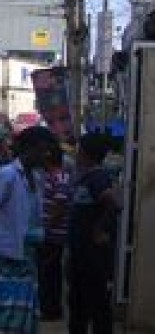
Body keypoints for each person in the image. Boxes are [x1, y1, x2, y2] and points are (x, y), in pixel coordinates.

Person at [0, 126, 56, 334]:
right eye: (43, 149)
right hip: (5, 253)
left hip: (27, 254)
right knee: (6, 317)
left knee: (22, 315)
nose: (46, 155)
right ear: (29, 148)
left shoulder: (36, 178)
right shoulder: (7, 175)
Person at [68, 133, 118, 334]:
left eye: (79, 150)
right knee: (78, 300)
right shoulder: (86, 176)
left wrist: (99, 229)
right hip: (81, 250)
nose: (77, 154)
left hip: (92, 254)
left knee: (96, 302)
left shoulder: (98, 177)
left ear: (87, 154)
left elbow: (115, 203)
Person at [38, 139, 71, 322]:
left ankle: (50, 310)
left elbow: (59, 206)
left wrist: (45, 227)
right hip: (52, 234)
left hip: (52, 235)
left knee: (48, 274)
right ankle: (51, 308)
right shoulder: (54, 176)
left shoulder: (59, 177)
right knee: (51, 273)